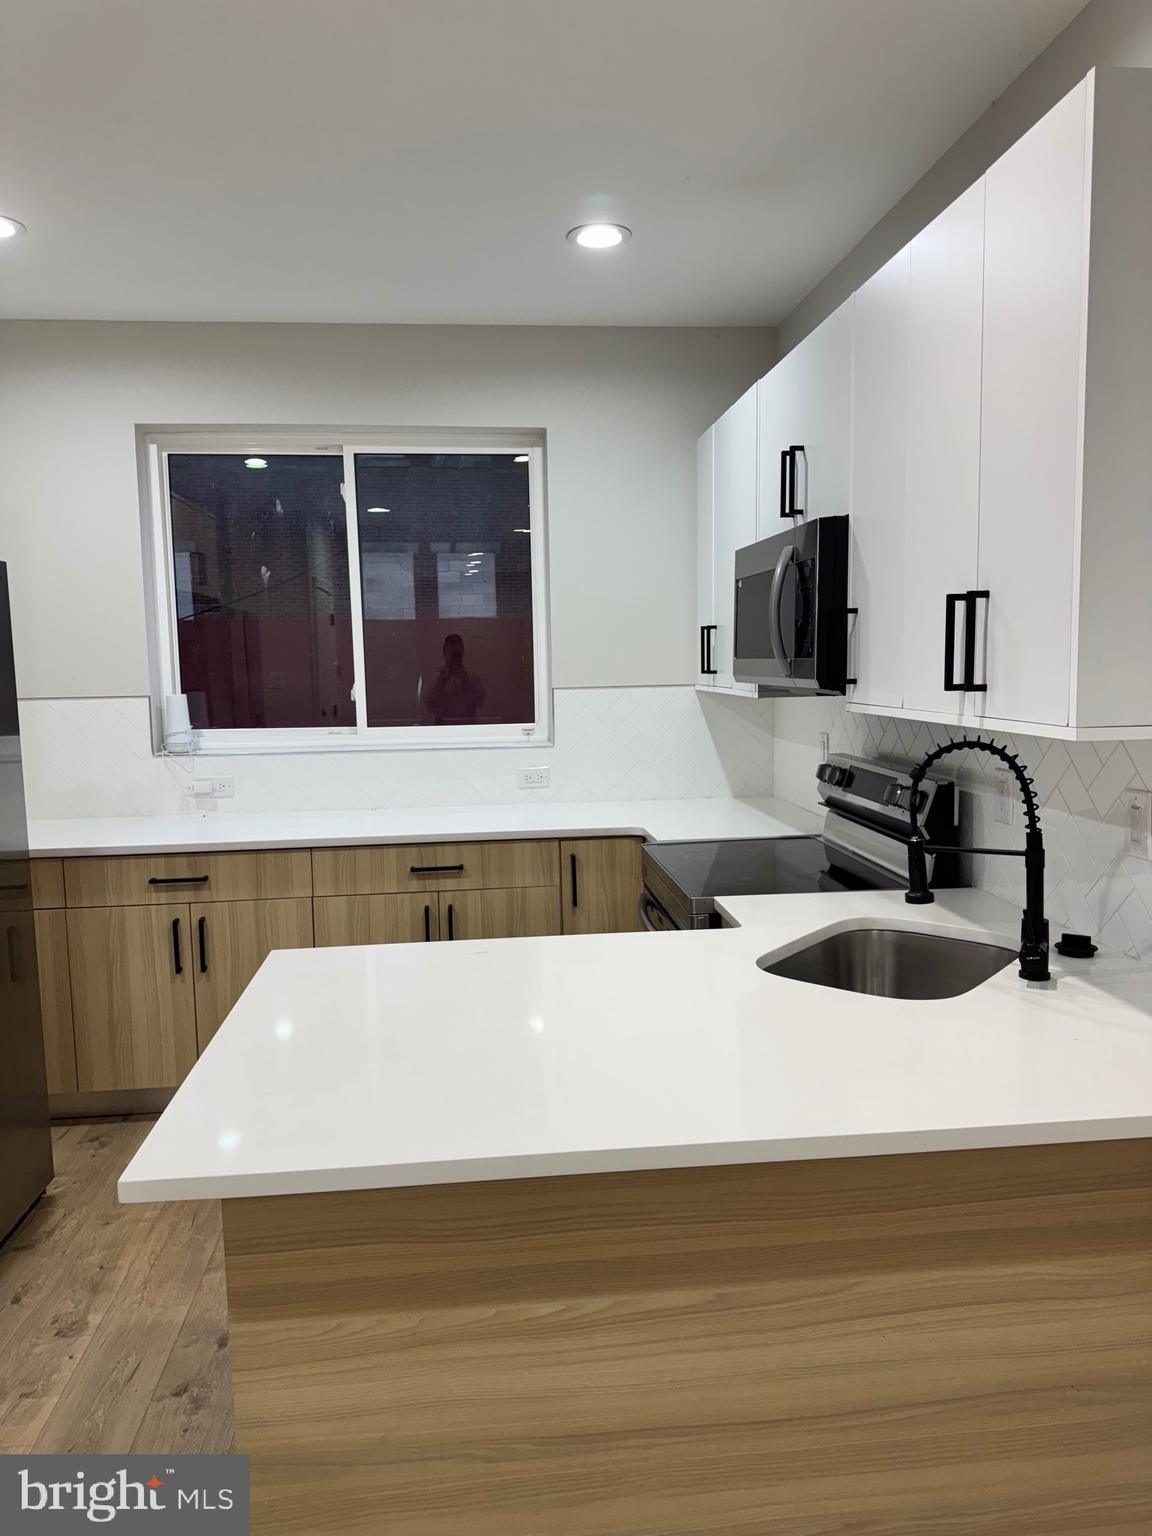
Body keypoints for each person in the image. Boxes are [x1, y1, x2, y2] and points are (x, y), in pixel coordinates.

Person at [425, 633, 486, 724]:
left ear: (463, 653)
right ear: (444, 654)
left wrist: (466, 681)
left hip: (468, 728)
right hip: (444, 729)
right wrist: (440, 683)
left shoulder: (472, 677)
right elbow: (429, 707)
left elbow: (480, 702)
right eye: (452, 654)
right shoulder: (436, 678)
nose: (455, 658)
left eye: (458, 654)